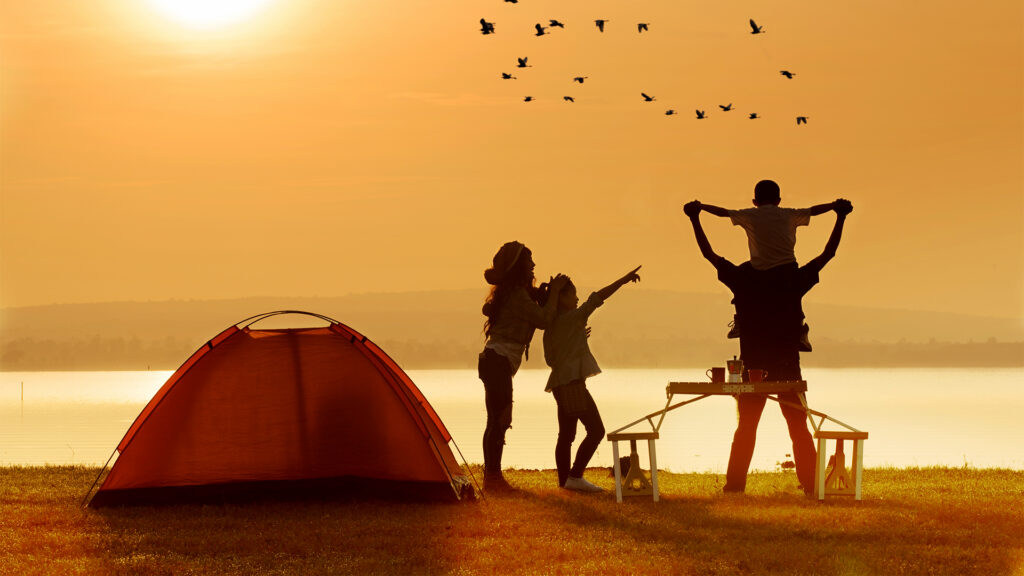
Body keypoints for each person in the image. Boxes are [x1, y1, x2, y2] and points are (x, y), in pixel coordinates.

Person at [683, 197, 852, 495]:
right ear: (779, 202)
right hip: (787, 365)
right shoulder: (792, 278)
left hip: (753, 368)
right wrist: (840, 217)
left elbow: (709, 254)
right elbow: (829, 253)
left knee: (746, 428)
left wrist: (695, 219)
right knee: (798, 427)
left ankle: (735, 486)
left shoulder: (744, 278)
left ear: (754, 204)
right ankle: (812, 485)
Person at [696, 180, 845, 343]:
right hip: (787, 269)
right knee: (793, 291)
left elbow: (721, 216)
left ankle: (740, 319)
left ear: (755, 202)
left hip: (757, 269)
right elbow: (817, 218)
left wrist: (698, 211)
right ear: (778, 201)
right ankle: (799, 326)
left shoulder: (750, 215)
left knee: (745, 269)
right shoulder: (789, 214)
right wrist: (836, 210)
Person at [538, 266, 642, 492]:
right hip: (572, 385)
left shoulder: (551, 326)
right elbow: (597, 298)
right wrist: (623, 279)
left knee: (566, 435)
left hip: (559, 384)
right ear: (562, 298)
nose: (577, 299)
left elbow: (550, 359)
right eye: (573, 294)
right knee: (596, 430)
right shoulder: (573, 317)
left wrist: (574, 339)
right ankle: (574, 476)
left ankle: (565, 482)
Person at [479, 241, 568, 492]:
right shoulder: (517, 295)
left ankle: (492, 477)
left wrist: (545, 295)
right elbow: (544, 319)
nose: (534, 265)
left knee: (496, 419)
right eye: (529, 261)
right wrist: (554, 293)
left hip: (494, 360)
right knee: (500, 418)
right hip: (498, 360)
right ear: (519, 266)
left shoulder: (516, 293)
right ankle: (493, 479)